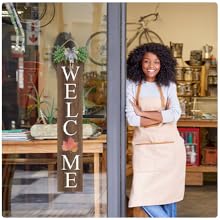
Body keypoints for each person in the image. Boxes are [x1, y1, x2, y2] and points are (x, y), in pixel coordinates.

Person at [126, 43, 186, 217]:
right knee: (141, 197)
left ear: (163, 64)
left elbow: (175, 114)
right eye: (146, 61)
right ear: (139, 63)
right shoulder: (131, 84)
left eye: (156, 62)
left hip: (170, 150)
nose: (151, 66)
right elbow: (132, 119)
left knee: (169, 195)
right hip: (145, 149)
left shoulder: (169, 85)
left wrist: (142, 113)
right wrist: (161, 117)